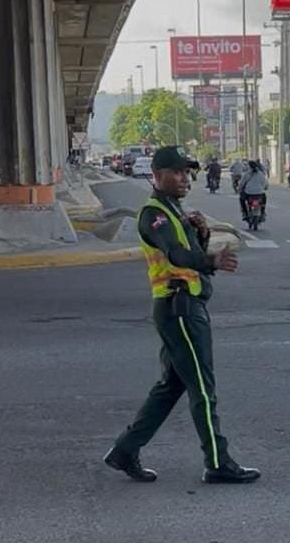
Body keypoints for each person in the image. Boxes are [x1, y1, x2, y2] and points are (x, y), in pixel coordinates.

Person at [104, 146, 259, 485]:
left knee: (171, 386)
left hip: (184, 305)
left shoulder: (175, 210)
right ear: (157, 176)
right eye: (176, 172)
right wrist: (211, 260)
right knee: (202, 388)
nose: (184, 178)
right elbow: (175, 255)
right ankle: (217, 462)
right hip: (180, 309)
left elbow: (189, 252)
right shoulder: (154, 214)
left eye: (187, 172)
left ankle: (124, 450)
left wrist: (201, 235)